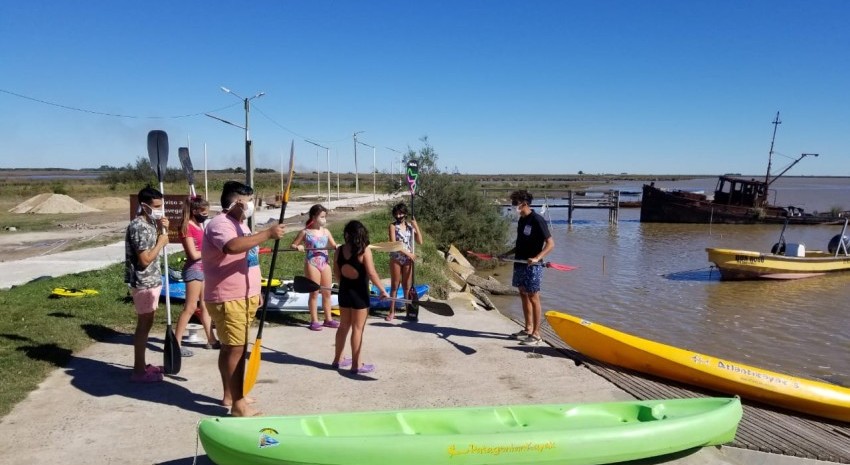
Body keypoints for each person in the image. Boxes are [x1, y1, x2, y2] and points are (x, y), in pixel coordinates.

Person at [202, 181, 285, 416]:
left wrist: (256, 290)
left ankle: (230, 394)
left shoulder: (241, 225)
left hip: (245, 294)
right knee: (236, 349)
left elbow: (250, 260)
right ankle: (238, 405)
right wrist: (268, 234)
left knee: (231, 348)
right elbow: (231, 247)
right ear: (236, 202)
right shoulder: (220, 224)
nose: (250, 205)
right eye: (247, 200)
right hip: (228, 297)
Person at [124, 186, 171, 383]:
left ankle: (141, 365)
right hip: (144, 282)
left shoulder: (150, 223)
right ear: (144, 205)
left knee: (148, 323)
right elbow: (144, 260)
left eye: (162, 206)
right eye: (157, 206)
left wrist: (162, 229)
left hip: (152, 280)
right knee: (143, 326)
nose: (161, 210)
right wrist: (161, 241)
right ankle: (138, 371)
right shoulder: (138, 227)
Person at [331, 220, 389, 375]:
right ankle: (356, 365)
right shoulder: (364, 251)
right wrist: (382, 290)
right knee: (358, 329)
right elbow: (371, 273)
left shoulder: (339, 250)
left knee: (343, 326)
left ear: (347, 234)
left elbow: (337, 274)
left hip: (344, 292)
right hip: (360, 295)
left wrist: (344, 284)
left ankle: (338, 360)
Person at [501, 189, 554, 346]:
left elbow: (551, 244)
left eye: (514, 203)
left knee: (533, 296)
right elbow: (519, 244)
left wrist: (537, 257)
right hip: (520, 263)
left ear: (524, 204)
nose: (512, 206)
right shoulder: (522, 220)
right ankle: (527, 329)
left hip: (533, 265)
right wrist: (505, 254)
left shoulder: (537, 220)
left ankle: (537, 334)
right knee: (523, 294)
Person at [173, 196, 219, 354]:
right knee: (190, 307)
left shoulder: (199, 225)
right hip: (195, 270)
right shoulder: (186, 227)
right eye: (204, 211)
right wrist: (210, 252)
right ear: (194, 211)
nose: (206, 214)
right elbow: (193, 254)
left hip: (204, 269)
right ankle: (176, 343)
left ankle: (211, 339)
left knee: (205, 305)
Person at [290, 204, 338, 331]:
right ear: (313, 217)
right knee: (314, 293)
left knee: (327, 292)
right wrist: (297, 247)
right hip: (312, 263)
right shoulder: (305, 232)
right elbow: (293, 245)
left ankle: (328, 319)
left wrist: (339, 246)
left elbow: (333, 245)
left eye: (325, 217)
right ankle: (314, 320)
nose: (324, 219)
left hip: (325, 263)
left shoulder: (326, 231)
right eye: (322, 217)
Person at [385, 202, 422, 322]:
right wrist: (409, 254)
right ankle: (392, 312)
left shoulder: (410, 226)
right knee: (395, 286)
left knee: (407, 286)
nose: (398, 216)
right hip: (397, 257)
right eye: (396, 213)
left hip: (408, 260)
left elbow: (420, 241)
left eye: (400, 213)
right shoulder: (392, 226)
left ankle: (408, 312)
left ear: (405, 213)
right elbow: (394, 244)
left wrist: (416, 226)